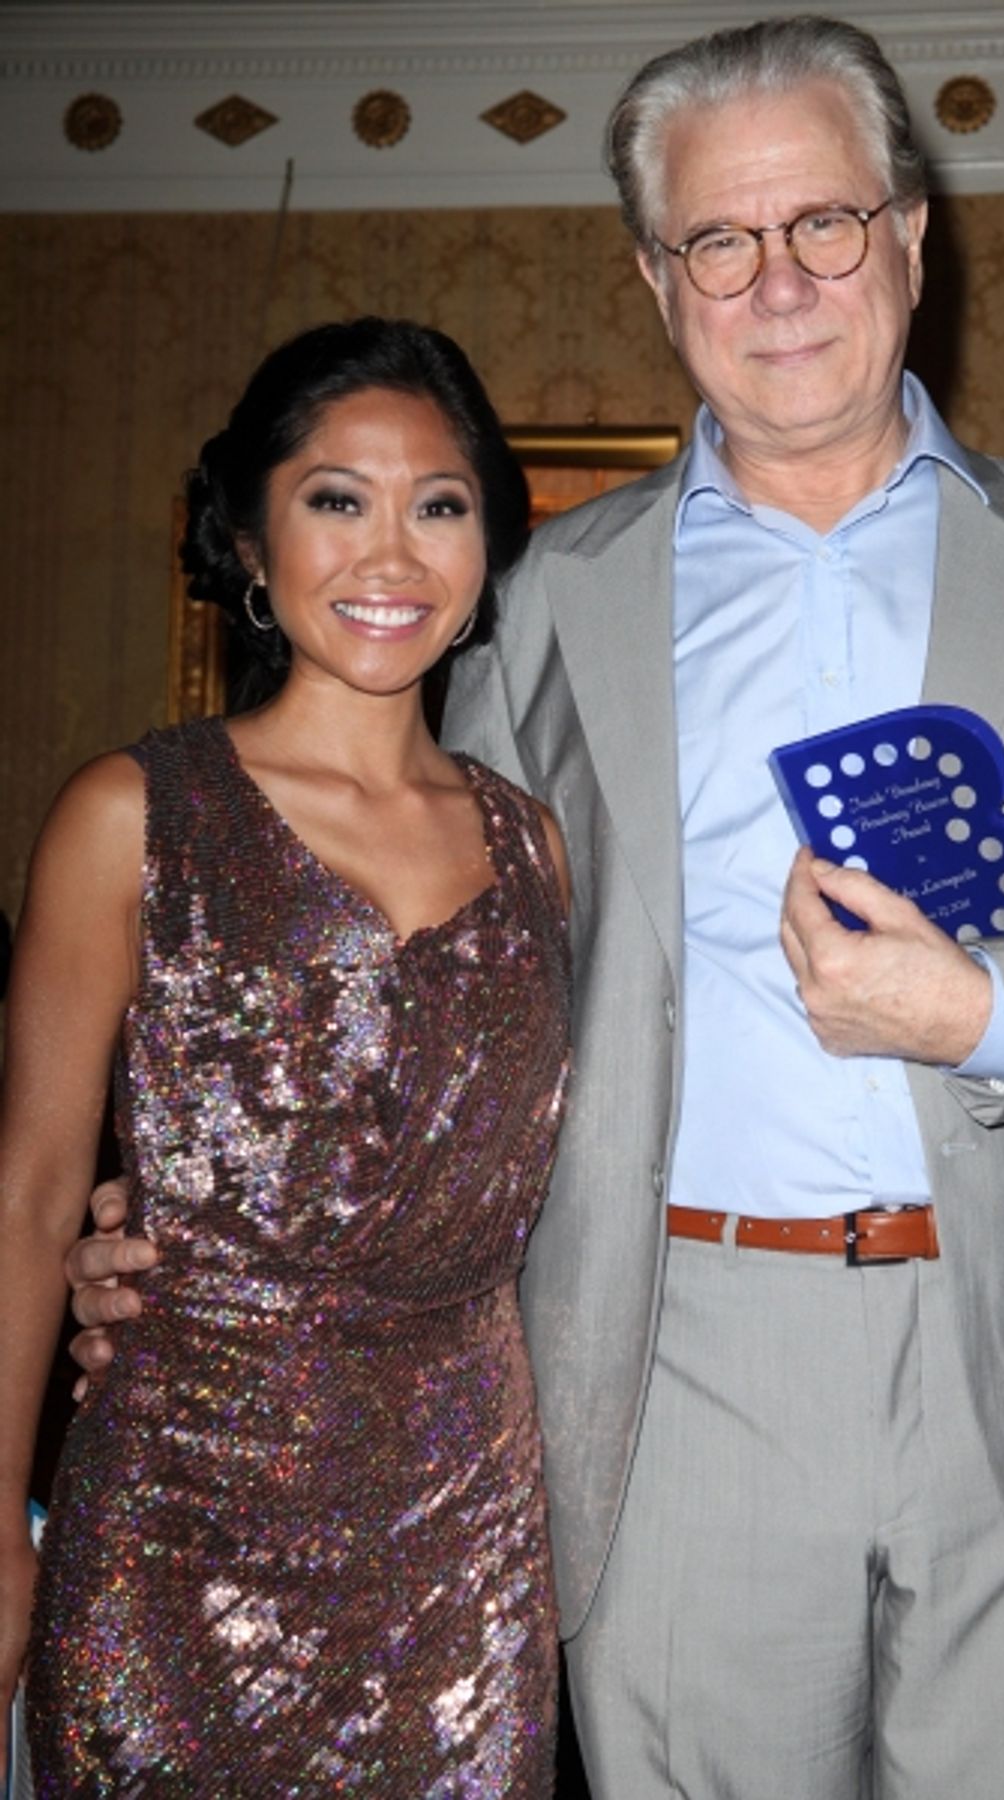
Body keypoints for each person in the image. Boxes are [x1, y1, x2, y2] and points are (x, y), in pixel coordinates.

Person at [66, 15, 1004, 1799]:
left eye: (825, 223)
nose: (780, 283)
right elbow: (423, 971)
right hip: (675, 1372)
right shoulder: (537, 605)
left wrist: (986, 1015)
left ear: (911, 235)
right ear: (656, 280)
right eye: (717, 242)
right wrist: (195, 1219)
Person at [0, 317, 570, 1794]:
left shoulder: (537, 848)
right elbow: (31, 1198)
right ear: (249, 537)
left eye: (438, 505)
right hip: (175, 1537)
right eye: (336, 499)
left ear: (488, 547)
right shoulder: (132, 815)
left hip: (466, 1559)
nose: (391, 555)